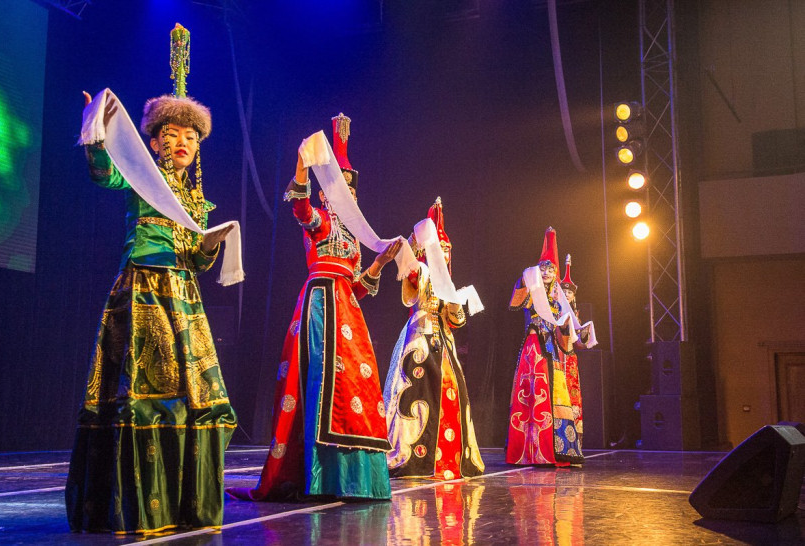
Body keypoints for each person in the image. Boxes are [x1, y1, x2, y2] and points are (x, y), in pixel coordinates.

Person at [66, 25, 237, 533]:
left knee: (198, 395)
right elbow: (105, 173)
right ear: (155, 140)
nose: (183, 142)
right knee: (143, 396)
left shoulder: (197, 200)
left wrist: (210, 244)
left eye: (191, 137)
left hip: (183, 299)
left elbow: (197, 262)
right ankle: (139, 505)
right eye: (173, 134)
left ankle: (186, 504)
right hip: (142, 289)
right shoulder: (142, 178)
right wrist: (95, 132)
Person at [226, 114, 400, 501]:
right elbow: (300, 208)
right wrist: (302, 164)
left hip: (348, 310)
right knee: (320, 381)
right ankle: (316, 475)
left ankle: (353, 480)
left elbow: (358, 288)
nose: (349, 197)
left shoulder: (355, 240)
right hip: (321, 303)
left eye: (353, 192)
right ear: (329, 194)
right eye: (343, 190)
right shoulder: (320, 220)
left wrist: (379, 263)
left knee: (354, 385)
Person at [383, 197, 484, 480]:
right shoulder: (423, 270)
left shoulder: (448, 282)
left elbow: (456, 321)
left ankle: (448, 455)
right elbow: (409, 270)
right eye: (440, 248)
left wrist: (455, 303)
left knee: (452, 390)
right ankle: (415, 454)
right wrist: (416, 240)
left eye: (448, 249)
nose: (445, 254)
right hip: (420, 338)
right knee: (417, 390)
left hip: (444, 341)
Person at [506, 227, 583, 466]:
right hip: (533, 350)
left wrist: (569, 330)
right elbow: (515, 303)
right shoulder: (532, 292)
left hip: (553, 352)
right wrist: (524, 279)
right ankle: (530, 450)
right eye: (543, 268)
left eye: (551, 269)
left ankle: (556, 448)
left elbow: (564, 337)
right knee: (532, 394)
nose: (547, 272)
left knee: (555, 394)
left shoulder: (559, 303)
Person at [559, 253, 586, 454]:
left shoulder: (576, 314)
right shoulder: (553, 311)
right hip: (556, 356)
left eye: (570, 293)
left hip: (570, 359)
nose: (567, 295)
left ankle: (574, 442)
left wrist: (585, 336)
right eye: (564, 291)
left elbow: (579, 344)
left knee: (573, 397)